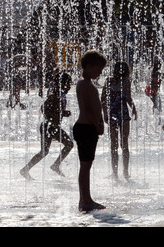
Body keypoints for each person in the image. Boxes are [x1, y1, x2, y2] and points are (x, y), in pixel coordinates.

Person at [20, 71, 74, 180]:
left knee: (45, 151)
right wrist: (61, 113)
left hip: (50, 126)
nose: (69, 86)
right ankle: (54, 165)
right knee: (68, 144)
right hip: (49, 126)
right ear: (62, 83)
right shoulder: (55, 93)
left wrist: (62, 113)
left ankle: (27, 169)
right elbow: (43, 108)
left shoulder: (59, 93)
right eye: (68, 83)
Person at [73, 49, 107, 212]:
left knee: (86, 166)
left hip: (88, 127)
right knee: (85, 167)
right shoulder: (84, 83)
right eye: (98, 68)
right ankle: (84, 201)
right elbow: (86, 108)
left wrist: (99, 121)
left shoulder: (86, 82)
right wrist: (97, 124)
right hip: (86, 127)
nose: (100, 72)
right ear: (89, 66)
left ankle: (86, 199)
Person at [102, 61, 137, 181]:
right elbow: (128, 98)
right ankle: (125, 172)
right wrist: (134, 109)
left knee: (114, 145)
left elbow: (103, 98)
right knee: (124, 144)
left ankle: (115, 173)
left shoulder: (109, 80)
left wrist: (105, 113)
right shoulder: (126, 81)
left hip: (113, 113)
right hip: (123, 113)